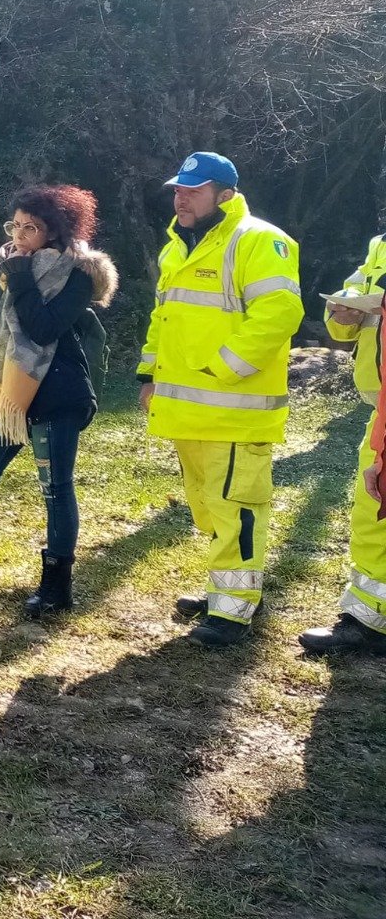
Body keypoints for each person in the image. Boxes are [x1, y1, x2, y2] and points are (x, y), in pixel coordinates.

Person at [0, 186, 117, 617]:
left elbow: (43, 327)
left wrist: (23, 275)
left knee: (55, 488)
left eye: (32, 227)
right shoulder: (3, 266)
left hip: (56, 394)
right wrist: (0, 348)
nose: (20, 234)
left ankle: (56, 587)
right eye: (16, 225)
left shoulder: (80, 273)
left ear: (54, 232)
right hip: (3, 393)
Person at [137, 152, 303, 648]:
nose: (180, 197)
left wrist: (225, 368)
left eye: (193, 189)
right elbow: (162, 318)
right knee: (208, 509)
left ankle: (233, 612)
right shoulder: (177, 248)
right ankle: (222, 592)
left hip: (235, 412)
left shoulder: (259, 240)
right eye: (177, 189)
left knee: (237, 511)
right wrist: (148, 373)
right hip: (186, 410)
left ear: (225, 195)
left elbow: (280, 313)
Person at [298, 237, 386, 654]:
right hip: (380, 408)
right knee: (373, 516)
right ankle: (368, 620)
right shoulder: (377, 246)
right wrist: (344, 313)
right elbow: (340, 323)